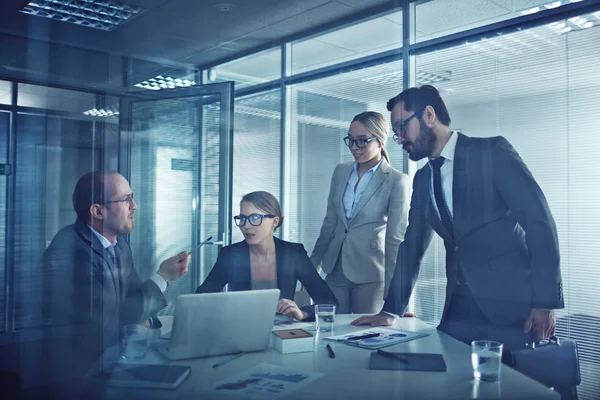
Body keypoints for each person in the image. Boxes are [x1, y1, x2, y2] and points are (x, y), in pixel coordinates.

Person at [352, 85, 563, 353]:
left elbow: (539, 223)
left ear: (429, 115)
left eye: (402, 128)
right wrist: (391, 310)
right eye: (396, 132)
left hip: (511, 309)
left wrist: (544, 303)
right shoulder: (424, 178)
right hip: (459, 311)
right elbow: (412, 245)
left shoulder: (492, 153)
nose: (400, 138)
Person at [42, 171, 190, 376]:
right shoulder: (69, 250)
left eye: (133, 197)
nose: (134, 205)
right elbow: (108, 322)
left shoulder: (119, 243)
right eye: (126, 199)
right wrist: (163, 276)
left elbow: (136, 300)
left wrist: (143, 319)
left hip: (117, 359)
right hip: (79, 373)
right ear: (98, 211)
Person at [310, 111, 409, 314]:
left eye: (362, 141)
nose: (354, 148)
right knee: (332, 330)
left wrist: (395, 295)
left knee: (365, 334)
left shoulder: (396, 181)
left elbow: (395, 240)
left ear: (381, 141)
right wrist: (312, 267)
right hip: (335, 267)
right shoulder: (341, 171)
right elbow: (330, 223)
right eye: (351, 140)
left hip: (370, 273)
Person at [196, 191, 338, 321]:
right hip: (241, 328)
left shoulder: (294, 253)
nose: (246, 226)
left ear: (274, 221)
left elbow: (329, 302)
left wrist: (302, 314)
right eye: (242, 218)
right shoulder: (231, 255)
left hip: (282, 332)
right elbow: (200, 300)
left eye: (255, 218)